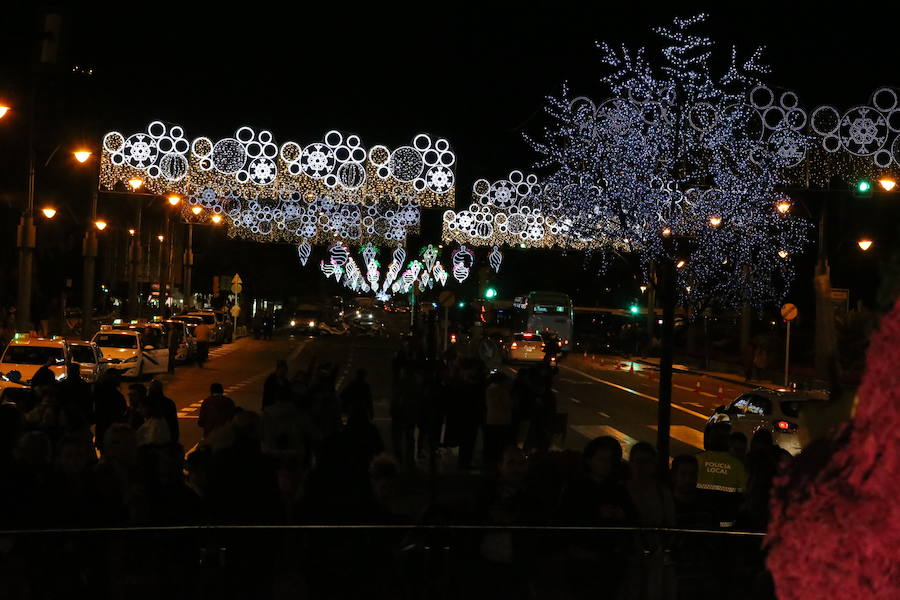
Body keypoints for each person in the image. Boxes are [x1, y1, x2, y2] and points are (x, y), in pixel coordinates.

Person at [695, 422, 748, 527]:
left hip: (700, 522)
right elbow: (743, 496)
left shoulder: (697, 460)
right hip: (725, 524)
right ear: (728, 442)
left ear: (709, 440)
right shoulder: (737, 465)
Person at [483, 370, 513, 468]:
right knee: (500, 445)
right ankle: (498, 465)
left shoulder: (489, 389)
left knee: (491, 444)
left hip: (490, 419)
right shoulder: (503, 390)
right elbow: (507, 405)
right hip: (502, 421)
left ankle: (488, 463)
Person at [92, 370, 127, 452]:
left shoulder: (98, 393)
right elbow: (122, 410)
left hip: (102, 427)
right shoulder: (117, 396)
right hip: (113, 428)